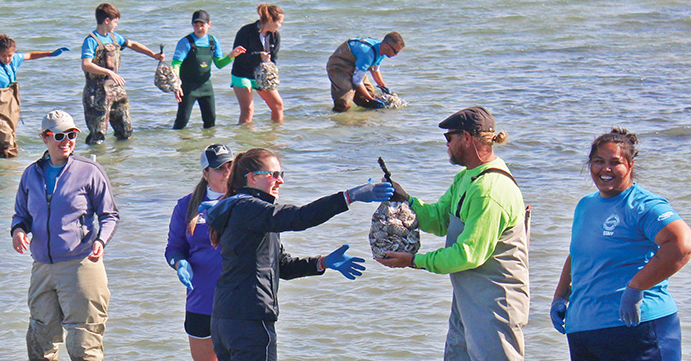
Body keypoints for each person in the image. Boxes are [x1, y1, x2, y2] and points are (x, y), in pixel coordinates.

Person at [204, 147, 393, 360]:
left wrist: (323, 262)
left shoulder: (244, 209)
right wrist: (349, 196)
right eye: (273, 175)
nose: (280, 181)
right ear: (252, 178)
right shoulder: (250, 208)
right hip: (250, 321)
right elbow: (301, 217)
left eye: (281, 174)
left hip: (225, 320)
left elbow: (281, 266)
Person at [377, 106, 529, 361]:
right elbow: (439, 219)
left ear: (467, 138)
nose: (446, 144)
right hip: (467, 300)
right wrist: (405, 200)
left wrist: (414, 261)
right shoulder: (466, 177)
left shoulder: (490, 190)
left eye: (449, 137)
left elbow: (468, 254)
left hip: (495, 304)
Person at [550, 129, 690, 360]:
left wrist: (636, 288)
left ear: (630, 165)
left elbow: (681, 245)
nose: (605, 169)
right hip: (584, 331)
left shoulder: (643, 204)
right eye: (599, 161)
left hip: (638, 328)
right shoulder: (585, 205)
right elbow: (577, 254)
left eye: (615, 162)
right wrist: (561, 297)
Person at [11, 110, 119, 360]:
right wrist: (18, 231)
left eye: (72, 135)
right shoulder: (30, 174)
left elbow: (109, 215)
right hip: (42, 267)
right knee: (39, 343)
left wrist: (101, 241)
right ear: (45, 138)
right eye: (59, 136)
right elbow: (21, 216)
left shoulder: (90, 171)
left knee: (84, 345)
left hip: (81, 264)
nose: (67, 141)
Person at [164, 143, 234, 361]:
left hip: (238, 300)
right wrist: (179, 263)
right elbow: (174, 248)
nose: (227, 173)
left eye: (231, 166)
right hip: (201, 301)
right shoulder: (186, 205)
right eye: (219, 168)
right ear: (205, 173)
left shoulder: (245, 203)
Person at [80, 3, 165, 145]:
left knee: (125, 131)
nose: (116, 25)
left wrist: (153, 55)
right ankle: (95, 158)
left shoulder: (114, 38)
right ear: (106, 21)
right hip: (96, 92)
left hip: (116, 89)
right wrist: (108, 72)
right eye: (115, 22)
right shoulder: (91, 41)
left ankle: (122, 157)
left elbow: (132, 44)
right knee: (97, 136)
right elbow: (86, 64)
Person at [0, 34, 69, 158]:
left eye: (9, 55)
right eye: (3, 56)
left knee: (11, 133)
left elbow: (29, 55)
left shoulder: (13, 60)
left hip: (10, 103)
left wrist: (49, 54)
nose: (7, 59)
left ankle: (10, 163)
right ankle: (8, 161)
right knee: (3, 136)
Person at [171, 11, 238, 130]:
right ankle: (177, 140)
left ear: (209, 24)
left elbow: (219, 64)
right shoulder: (185, 42)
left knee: (210, 120)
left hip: (206, 86)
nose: (199, 28)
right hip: (188, 87)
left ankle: (208, 140)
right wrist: (176, 85)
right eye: (196, 25)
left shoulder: (213, 41)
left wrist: (232, 55)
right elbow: (176, 64)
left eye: (202, 25)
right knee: (182, 120)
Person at [230, 4, 284, 124]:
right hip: (242, 73)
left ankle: (276, 134)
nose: (280, 26)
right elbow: (239, 57)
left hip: (261, 75)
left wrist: (270, 71)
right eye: (279, 22)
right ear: (270, 20)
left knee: (278, 105)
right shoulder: (245, 31)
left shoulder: (275, 36)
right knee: (248, 110)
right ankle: (244, 136)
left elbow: (274, 59)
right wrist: (259, 56)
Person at [326, 32, 405, 112]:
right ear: (387, 46)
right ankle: (336, 116)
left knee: (369, 93)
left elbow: (375, 69)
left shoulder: (382, 50)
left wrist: (383, 86)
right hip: (339, 67)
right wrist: (370, 99)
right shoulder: (367, 54)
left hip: (356, 66)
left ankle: (363, 117)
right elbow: (357, 81)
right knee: (344, 103)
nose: (397, 54)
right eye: (395, 51)